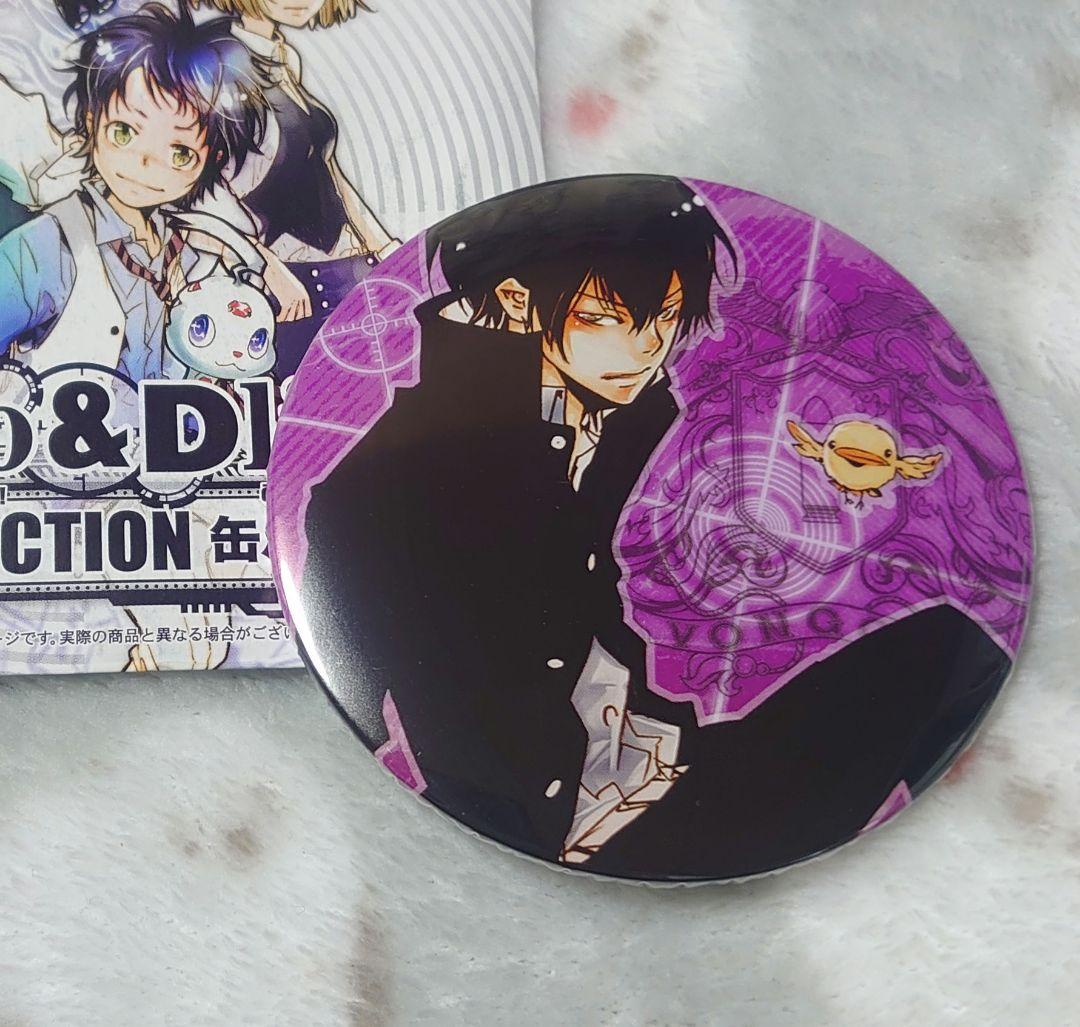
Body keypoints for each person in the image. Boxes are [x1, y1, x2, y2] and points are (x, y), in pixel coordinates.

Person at [302, 176, 1012, 880]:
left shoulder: (613, 419)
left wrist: (656, 723)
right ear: (517, 302)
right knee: (935, 649)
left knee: (943, 640)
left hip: (645, 767)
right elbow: (371, 604)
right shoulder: (409, 470)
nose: (644, 348)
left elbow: (578, 596)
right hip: (569, 817)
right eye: (606, 319)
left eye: (666, 316)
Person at [0, 3, 267, 383]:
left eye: (179, 153)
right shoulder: (48, 245)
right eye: (123, 133)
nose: (145, 163)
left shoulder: (195, 256)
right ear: (92, 121)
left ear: (212, 160)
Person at [192, 0, 400, 380]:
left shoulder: (283, 57)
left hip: (346, 271)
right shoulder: (212, 63)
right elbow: (195, 192)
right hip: (286, 286)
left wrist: (385, 247)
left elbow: (324, 168)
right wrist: (267, 268)